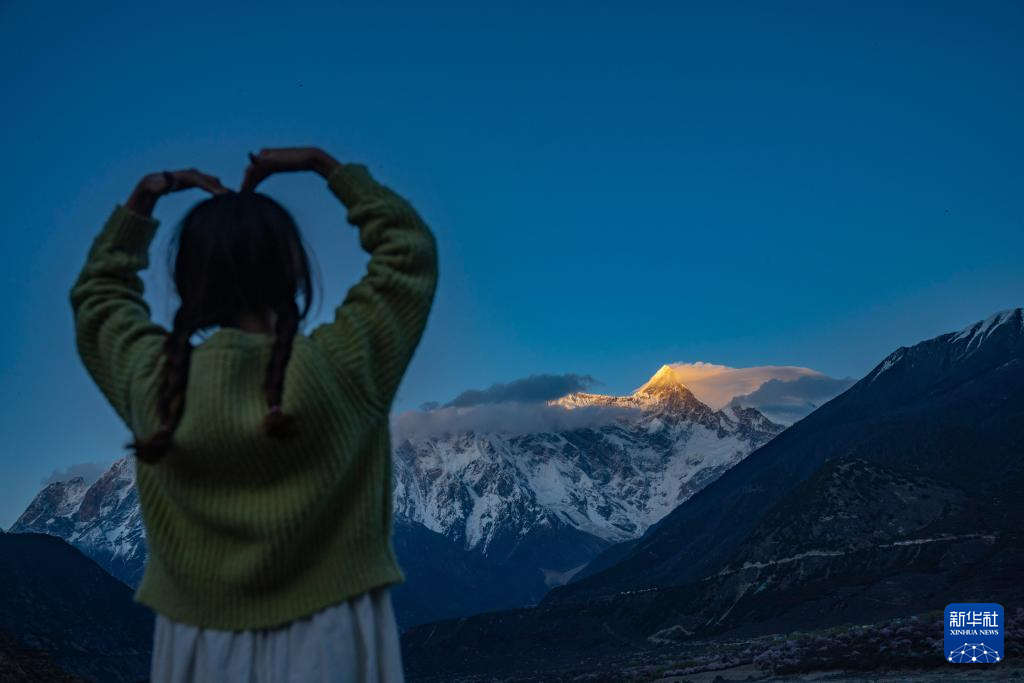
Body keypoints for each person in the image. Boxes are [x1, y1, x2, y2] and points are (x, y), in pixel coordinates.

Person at [68, 146, 439, 682]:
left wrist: (146, 196)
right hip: (333, 632)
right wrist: (321, 164)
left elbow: (98, 297)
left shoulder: (155, 385)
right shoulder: (344, 367)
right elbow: (410, 252)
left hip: (197, 644)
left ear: (188, 280)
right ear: (294, 270)